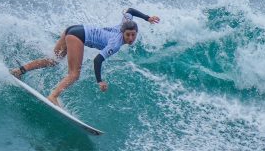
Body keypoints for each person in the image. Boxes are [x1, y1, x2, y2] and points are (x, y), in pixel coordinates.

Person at [11, 8, 160, 106]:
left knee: (53, 61)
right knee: (74, 74)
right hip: (78, 36)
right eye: (128, 35)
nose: (131, 38)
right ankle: (53, 96)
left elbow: (129, 10)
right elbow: (98, 60)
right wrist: (99, 81)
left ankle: (19, 70)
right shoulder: (115, 43)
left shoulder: (125, 23)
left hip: (74, 28)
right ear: (123, 33)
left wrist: (147, 18)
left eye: (133, 35)